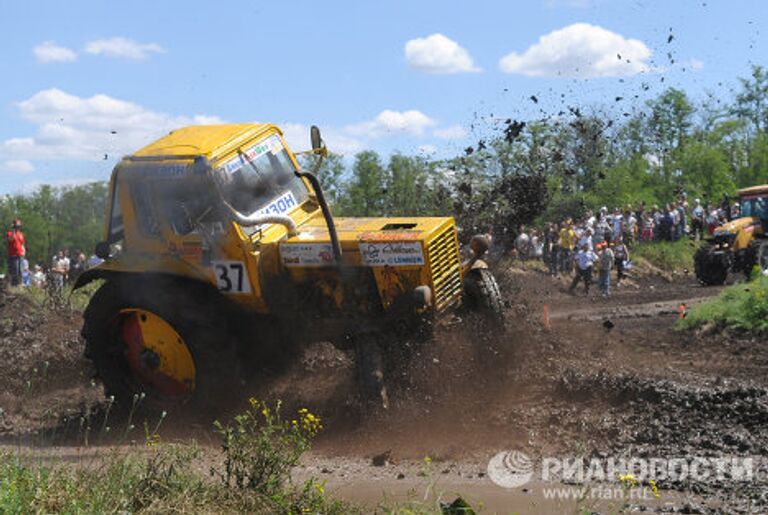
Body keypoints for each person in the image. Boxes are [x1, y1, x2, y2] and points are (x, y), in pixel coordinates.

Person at [5, 219, 26, 287]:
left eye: (18, 226)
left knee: (21, 270)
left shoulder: (21, 234)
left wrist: (23, 251)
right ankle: (14, 285)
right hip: (13, 255)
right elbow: (10, 239)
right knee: (15, 270)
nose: (18, 227)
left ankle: (20, 284)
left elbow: (22, 244)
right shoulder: (10, 233)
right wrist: (13, 230)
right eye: (16, 226)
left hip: (20, 255)